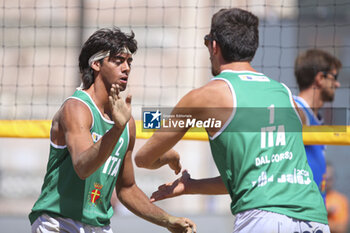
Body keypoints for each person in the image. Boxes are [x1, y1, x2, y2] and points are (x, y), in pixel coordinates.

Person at [134, 8, 330, 233]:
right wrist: (191, 186)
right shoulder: (284, 94)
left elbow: (143, 159)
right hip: (315, 219)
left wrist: (168, 155)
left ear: (214, 46)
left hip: (263, 217)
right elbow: (250, 177)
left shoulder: (205, 97)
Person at [29, 27, 196, 233]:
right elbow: (83, 167)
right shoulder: (76, 108)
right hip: (59, 223)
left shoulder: (126, 122)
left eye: (129, 62)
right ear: (96, 64)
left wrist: (168, 221)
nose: (126, 68)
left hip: (98, 225)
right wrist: (117, 128)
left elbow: (127, 189)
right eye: (118, 60)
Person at [293, 49, 342, 200]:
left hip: (313, 212)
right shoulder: (297, 110)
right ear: (320, 78)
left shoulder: (314, 117)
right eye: (335, 77)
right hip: (298, 213)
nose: (338, 84)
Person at [325, 162, 349, 233]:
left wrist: (318, 217)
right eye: (324, 178)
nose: (326, 182)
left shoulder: (340, 200)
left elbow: (341, 228)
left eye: (329, 178)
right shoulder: (312, 198)